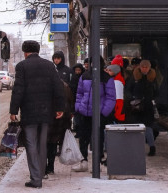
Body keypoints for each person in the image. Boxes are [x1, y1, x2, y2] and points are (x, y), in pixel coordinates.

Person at [9, 40, 65, 189]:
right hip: (47, 112)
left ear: (25, 52)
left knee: (31, 144)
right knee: (42, 143)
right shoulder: (49, 65)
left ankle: (36, 179)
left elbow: (18, 90)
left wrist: (13, 111)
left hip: (29, 112)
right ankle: (40, 174)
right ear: (38, 51)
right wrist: (60, 107)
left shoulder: (22, 66)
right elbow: (58, 87)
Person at [72, 56, 116, 172]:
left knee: (98, 139)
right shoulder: (84, 76)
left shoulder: (106, 78)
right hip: (84, 112)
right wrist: (78, 107)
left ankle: (98, 162)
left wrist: (103, 112)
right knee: (83, 138)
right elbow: (79, 93)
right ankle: (83, 161)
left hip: (98, 114)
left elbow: (111, 97)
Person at [45, 51, 74, 178]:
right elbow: (69, 100)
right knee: (52, 142)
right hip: (59, 118)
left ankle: (45, 167)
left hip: (49, 117)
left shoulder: (45, 86)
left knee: (46, 142)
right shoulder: (65, 86)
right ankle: (50, 167)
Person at [125, 59, 158, 156]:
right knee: (136, 126)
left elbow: (156, 91)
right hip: (136, 106)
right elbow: (128, 90)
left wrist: (153, 100)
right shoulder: (134, 77)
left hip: (148, 106)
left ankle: (152, 147)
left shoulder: (153, 77)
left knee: (148, 127)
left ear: (149, 67)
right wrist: (132, 99)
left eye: (146, 67)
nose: (144, 69)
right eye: (142, 67)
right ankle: (137, 147)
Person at [106, 55, 125, 123]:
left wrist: (117, 115)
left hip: (115, 114)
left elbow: (119, 100)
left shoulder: (117, 82)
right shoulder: (118, 79)